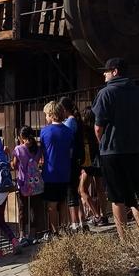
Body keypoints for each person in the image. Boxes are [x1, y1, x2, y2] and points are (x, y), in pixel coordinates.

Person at [91, 58, 139, 240]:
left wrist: (102, 142)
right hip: (133, 149)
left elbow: (98, 126)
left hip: (112, 151)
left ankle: (124, 238)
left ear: (115, 71)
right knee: (137, 196)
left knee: (117, 197)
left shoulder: (105, 93)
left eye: (106, 71)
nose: (104, 74)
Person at [39, 101, 74, 240]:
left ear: (51, 115)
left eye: (46, 114)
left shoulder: (45, 131)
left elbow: (42, 151)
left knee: (51, 205)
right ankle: (64, 228)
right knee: (64, 202)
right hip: (65, 171)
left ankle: (54, 232)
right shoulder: (69, 131)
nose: (46, 117)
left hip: (50, 172)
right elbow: (70, 152)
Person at [59, 97, 88, 232]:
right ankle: (83, 222)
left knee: (71, 193)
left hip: (69, 160)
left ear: (64, 109)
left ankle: (74, 224)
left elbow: (63, 140)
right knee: (76, 191)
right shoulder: (76, 121)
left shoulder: (69, 123)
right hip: (76, 159)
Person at [11, 126, 43, 246]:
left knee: (22, 209)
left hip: (23, 183)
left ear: (21, 137)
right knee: (35, 209)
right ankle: (33, 235)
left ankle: (22, 235)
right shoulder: (37, 149)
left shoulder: (18, 149)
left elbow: (14, 165)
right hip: (36, 183)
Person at [79, 107, 109, 226]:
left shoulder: (84, 131)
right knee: (100, 188)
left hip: (89, 163)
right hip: (100, 160)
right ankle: (104, 215)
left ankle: (96, 215)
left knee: (82, 190)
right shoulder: (99, 128)